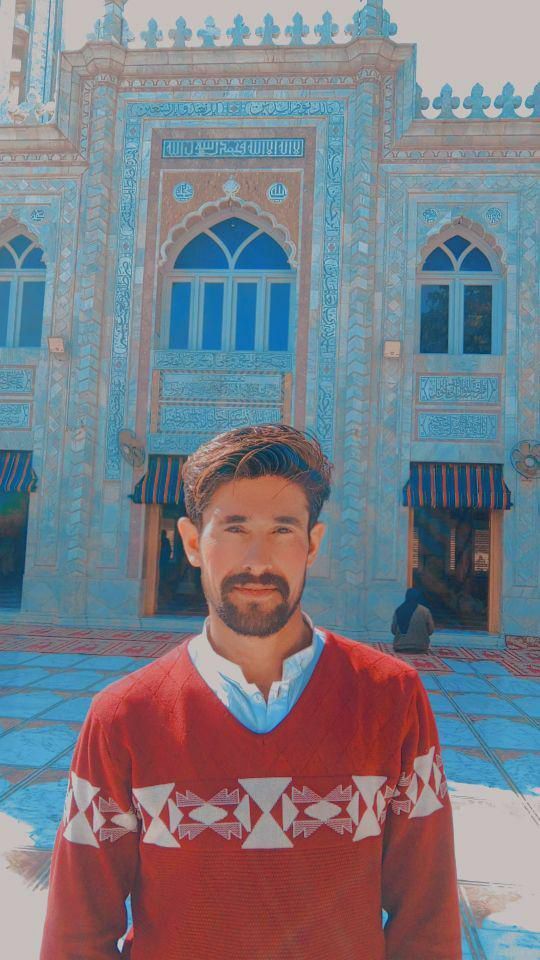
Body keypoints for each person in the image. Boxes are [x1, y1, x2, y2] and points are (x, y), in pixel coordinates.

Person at [40, 424, 462, 960]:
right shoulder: (123, 717)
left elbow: (427, 919)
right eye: (234, 528)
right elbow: (76, 933)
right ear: (193, 543)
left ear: (313, 544)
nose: (258, 561)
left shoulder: (391, 698)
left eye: (283, 530)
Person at [391, 587, 435, 653]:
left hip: (400, 647)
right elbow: (431, 630)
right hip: (421, 647)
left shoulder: (399, 610)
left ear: (406, 596)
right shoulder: (425, 611)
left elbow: (393, 630)